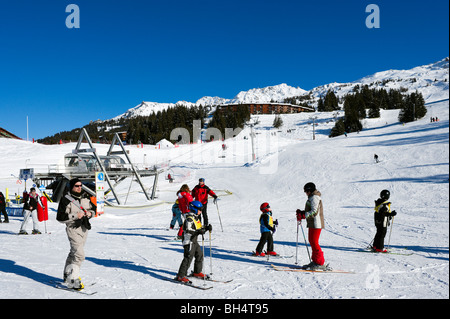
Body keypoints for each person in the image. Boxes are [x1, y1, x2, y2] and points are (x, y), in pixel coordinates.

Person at [56, 178, 95, 290]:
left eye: (80, 185)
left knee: (74, 253)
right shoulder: (65, 199)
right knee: (79, 254)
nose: (79, 188)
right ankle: (73, 279)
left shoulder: (85, 197)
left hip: (84, 228)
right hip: (73, 228)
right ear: (72, 186)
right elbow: (60, 217)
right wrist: (74, 216)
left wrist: (89, 213)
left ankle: (67, 273)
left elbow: (94, 210)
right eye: (77, 186)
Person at [176, 201, 212, 283]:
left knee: (200, 255)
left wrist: (206, 228)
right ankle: (181, 276)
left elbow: (199, 228)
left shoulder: (196, 218)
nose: (201, 211)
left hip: (194, 241)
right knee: (188, 258)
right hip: (189, 241)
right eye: (199, 209)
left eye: (201, 209)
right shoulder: (189, 219)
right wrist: (199, 232)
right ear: (194, 209)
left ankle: (197, 272)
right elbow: (188, 230)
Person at [296, 182, 327, 270]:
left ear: (309, 190)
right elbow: (310, 210)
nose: (305, 193)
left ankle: (319, 263)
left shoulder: (315, 198)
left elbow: (314, 211)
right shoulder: (312, 197)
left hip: (316, 223)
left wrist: (303, 215)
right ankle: (315, 261)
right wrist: (302, 213)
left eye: (306, 191)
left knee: (314, 242)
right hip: (312, 223)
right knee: (312, 241)